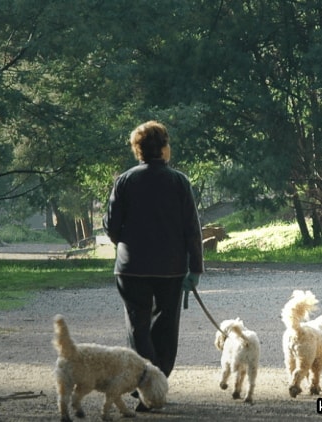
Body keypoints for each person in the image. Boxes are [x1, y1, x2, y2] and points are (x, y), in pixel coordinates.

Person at [103, 120, 204, 410]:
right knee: (165, 328)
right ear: (164, 148)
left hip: (130, 266)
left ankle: (145, 384)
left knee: (137, 327)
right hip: (170, 268)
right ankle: (155, 385)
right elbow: (192, 230)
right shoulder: (179, 182)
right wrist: (195, 268)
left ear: (138, 150)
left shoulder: (124, 181)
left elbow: (111, 226)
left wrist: (128, 243)